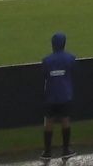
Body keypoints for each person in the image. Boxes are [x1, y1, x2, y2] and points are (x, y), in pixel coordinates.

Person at [41, 32, 76, 162]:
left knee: (48, 121)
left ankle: (47, 152)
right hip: (65, 95)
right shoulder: (70, 58)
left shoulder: (46, 60)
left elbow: (44, 75)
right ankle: (66, 149)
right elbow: (73, 71)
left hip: (50, 95)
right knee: (65, 119)